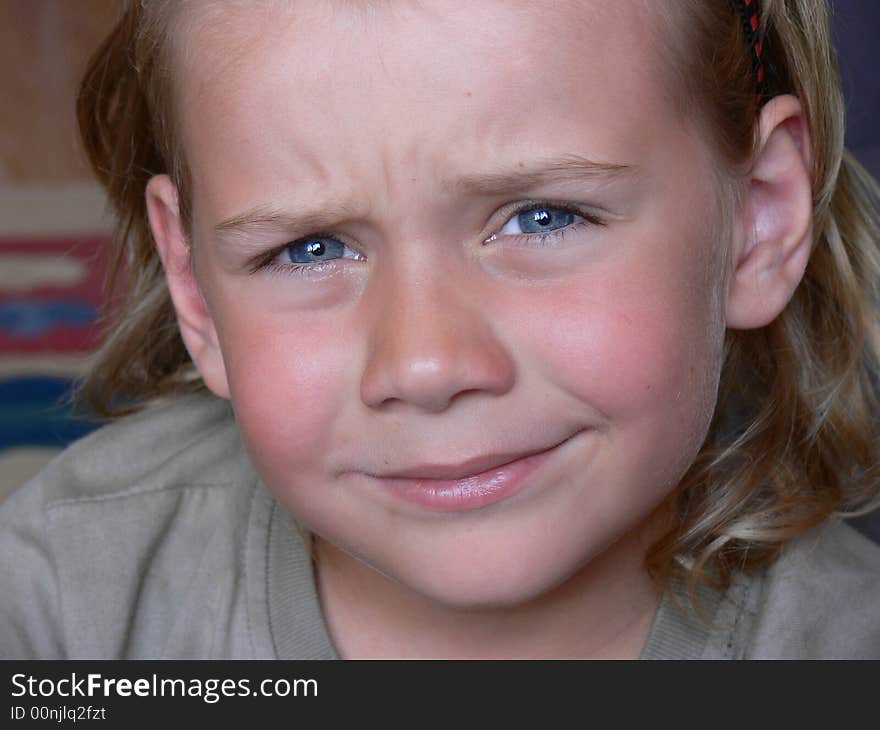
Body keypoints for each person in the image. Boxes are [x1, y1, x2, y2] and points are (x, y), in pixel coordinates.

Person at [2, 0, 879, 660]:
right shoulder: (63, 605)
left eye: (543, 218)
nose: (424, 364)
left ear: (758, 221)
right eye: (309, 247)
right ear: (195, 286)